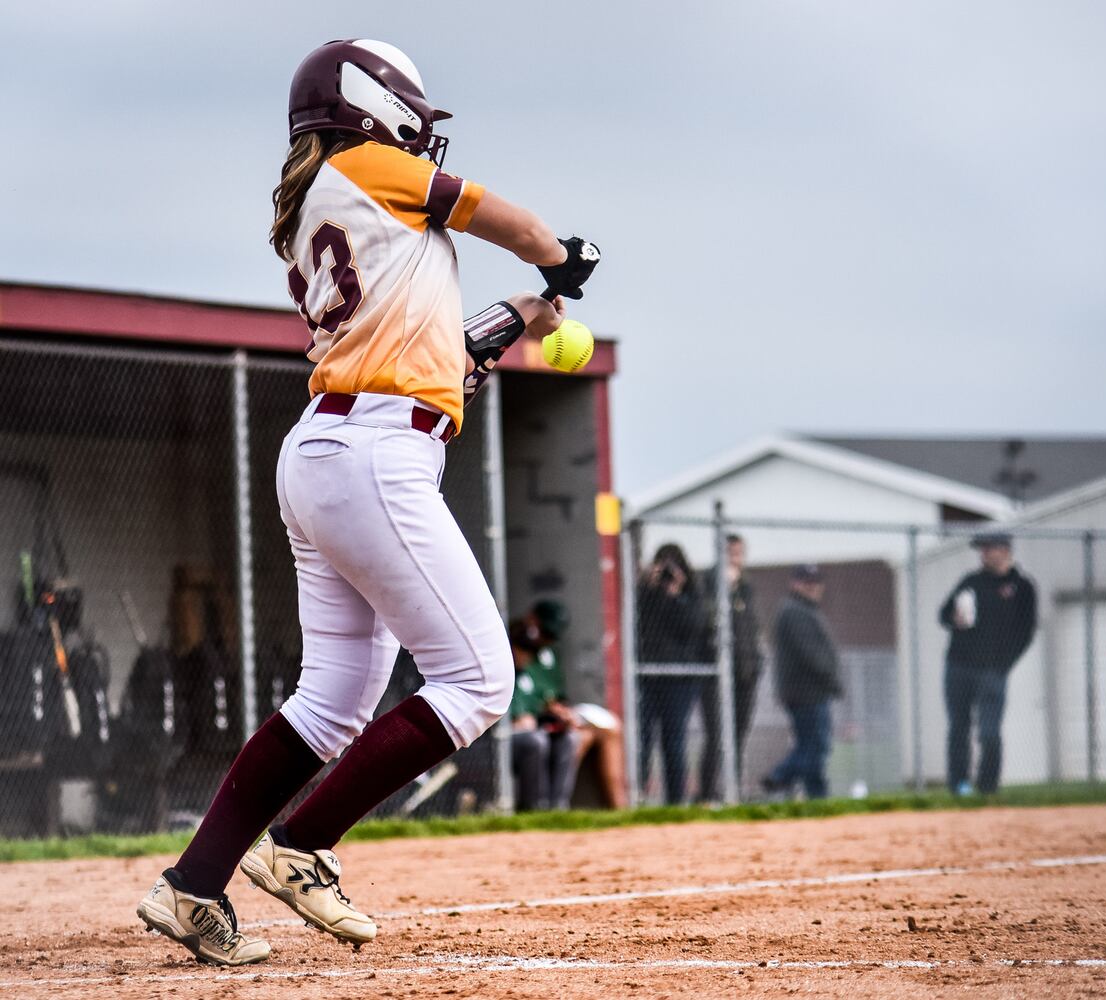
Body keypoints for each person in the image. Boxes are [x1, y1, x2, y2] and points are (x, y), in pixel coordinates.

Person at [136, 39, 599, 966]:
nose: (422, 130)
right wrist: (566, 257)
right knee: (478, 682)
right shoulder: (368, 165)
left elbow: (434, 349)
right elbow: (490, 211)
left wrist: (523, 314)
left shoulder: (329, 199)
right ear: (369, 105)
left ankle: (192, 885)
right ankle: (303, 847)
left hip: (334, 446)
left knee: (334, 700)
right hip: (375, 453)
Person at [938, 532, 1037, 796]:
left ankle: (987, 787)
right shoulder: (971, 582)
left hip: (993, 671)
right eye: (982, 550)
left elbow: (1026, 632)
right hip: (958, 665)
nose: (983, 554)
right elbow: (944, 614)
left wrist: (1003, 664)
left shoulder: (1022, 587)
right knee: (958, 729)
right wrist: (954, 618)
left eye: (988, 549)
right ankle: (959, 786)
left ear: (1004, 551)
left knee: (989, 732)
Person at [509, 600, 627, 811]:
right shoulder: (509, 649)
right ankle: (534, 809)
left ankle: (557, 808)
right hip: (511, 732)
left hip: (539, 723)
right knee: (537, 741)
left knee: (571, 737)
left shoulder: (548, 654)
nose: (545, 640)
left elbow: (553, 697)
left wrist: (559, 712)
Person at [637, 543, 712, 804]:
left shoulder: (690, 592)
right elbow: (636, 620)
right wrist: (649, 585)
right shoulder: (645, 592)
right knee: (642, 740)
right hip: (646, 677)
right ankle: (637, 796)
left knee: (674, 741)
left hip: (679, 680)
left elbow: (693, 627)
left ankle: (676, 801)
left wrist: (675, 592)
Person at [763, 565, 842, 800]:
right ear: (795, 583)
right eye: (807, 582)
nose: (813, 587)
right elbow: (810, 654)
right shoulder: (794, 611)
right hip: (805, 692)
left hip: (811, 691)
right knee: (814, 746)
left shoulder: (805, 610)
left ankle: (807, 791)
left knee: (813, 746)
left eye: (816, 582)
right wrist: (831, 677)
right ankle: (782, 778)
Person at [696, 533, 764, 802]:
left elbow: (751, 626)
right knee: (716, 735)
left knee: (738, 735)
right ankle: (706, 794)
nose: (735, 558)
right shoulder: (708, 583)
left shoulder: (745, 587)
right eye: (730, 552)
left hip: (745, 672)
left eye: (739, 552)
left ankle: (732, 791)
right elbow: (705, 621)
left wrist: (756, 662)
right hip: (715, 674)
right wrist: (724, 588)